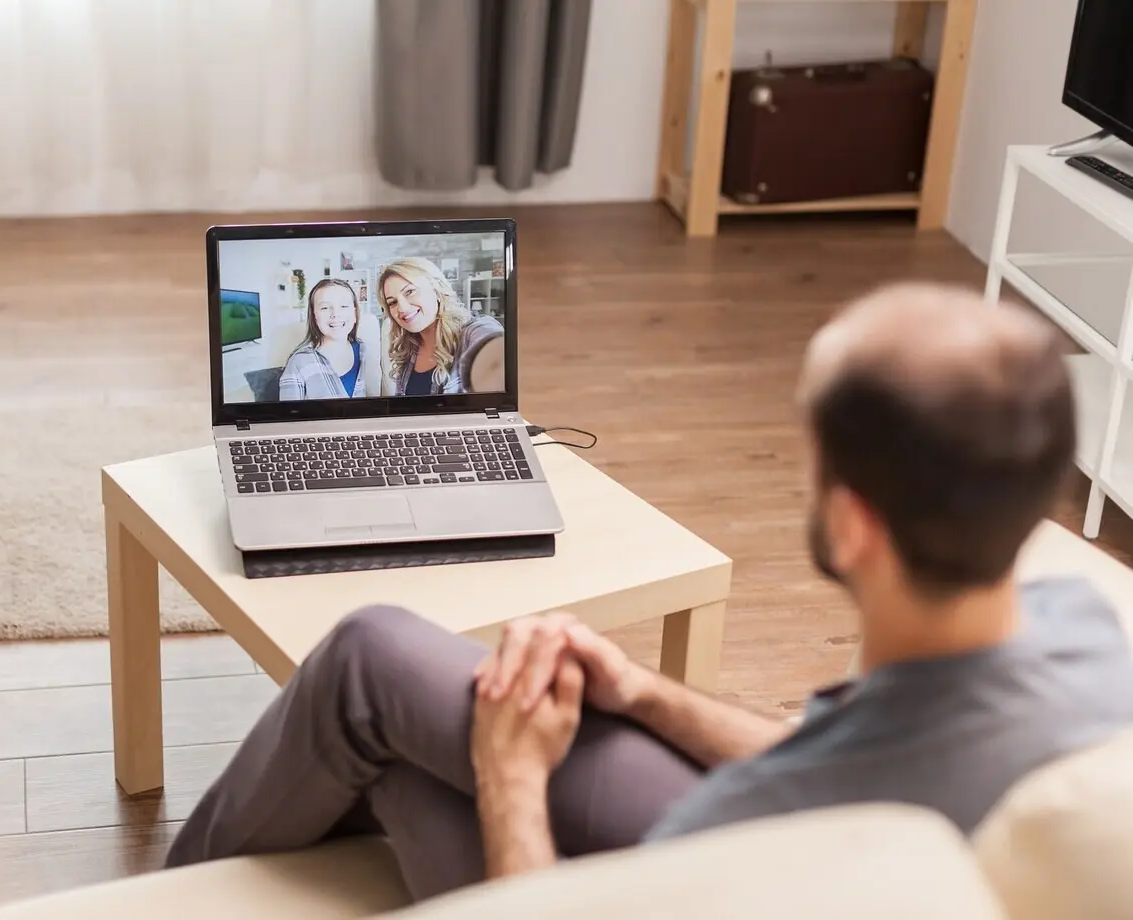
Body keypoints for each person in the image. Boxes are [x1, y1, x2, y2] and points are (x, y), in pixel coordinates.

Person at [167, 282, 1133, 901]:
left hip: (730, 870)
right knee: (397, 733)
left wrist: (512, 777)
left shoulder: (739, 832)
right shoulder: (1081, 629)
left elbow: (817, 775)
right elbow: (852, 745)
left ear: (851, 527)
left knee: (370, 672)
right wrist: (643, 689)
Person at [378, 256, 504, 395]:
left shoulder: (472, 331)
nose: (402, 308)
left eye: (409, 292)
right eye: (392, 302)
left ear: (436, 289)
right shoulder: (408, 349)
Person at [279, 278, 380, 400]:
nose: (335, 314)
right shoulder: (298, 362)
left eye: (343, 306)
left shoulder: (363, 350)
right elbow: (289, 416)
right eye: (325, 308)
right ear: (314, 317)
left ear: (354, 314)